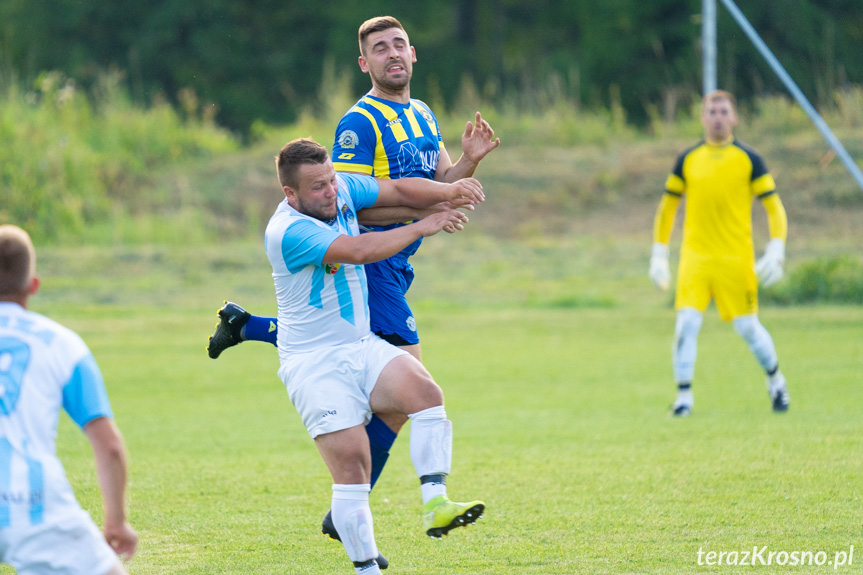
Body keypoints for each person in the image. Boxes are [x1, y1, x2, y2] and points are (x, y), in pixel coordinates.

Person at [206, 15, 499, 553]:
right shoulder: (358, 125)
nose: (392, 55)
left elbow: (432, 185)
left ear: (414, 55)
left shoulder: (424, 113)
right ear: (365, 63)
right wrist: (430, 213)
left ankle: (249, 327)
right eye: (379, 49)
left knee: (393, 400)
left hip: (401, 259)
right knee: (409, 385)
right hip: (369, 261)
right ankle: (405, 504)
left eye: (399, 46)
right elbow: (357, 202)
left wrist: (466, 167)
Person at [267, 138, 485, 574]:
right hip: (313, 364)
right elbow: (360, 251)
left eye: (330, 180)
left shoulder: (341, 188)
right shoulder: (287, 231)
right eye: (317, 188)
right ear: (290, 194)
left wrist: (448, 190)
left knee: (425, 393)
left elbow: (401, 191)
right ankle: (366, 568)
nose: (331, 191)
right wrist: (425, 224)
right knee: (353, 470)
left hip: (359, 346)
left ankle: (436, 502)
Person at [0, 225, 138, 574]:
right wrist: (116, 523)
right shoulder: (61, 345)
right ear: (33, 285)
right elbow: (109, 447)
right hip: (31, 503)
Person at [648, 89, 790, 417]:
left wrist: (778, 246)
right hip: (695, 258)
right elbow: (667, 209)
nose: (718, 118)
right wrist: (659, 253)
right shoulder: (688, 159)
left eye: (724, 111)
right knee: (685, 325)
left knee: (748, 328)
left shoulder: (750, 159)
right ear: (702, 118)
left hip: (735, 259)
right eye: (712, 112)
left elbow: (774, 207)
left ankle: (776, 382)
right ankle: (684, 398)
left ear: (735, 117)